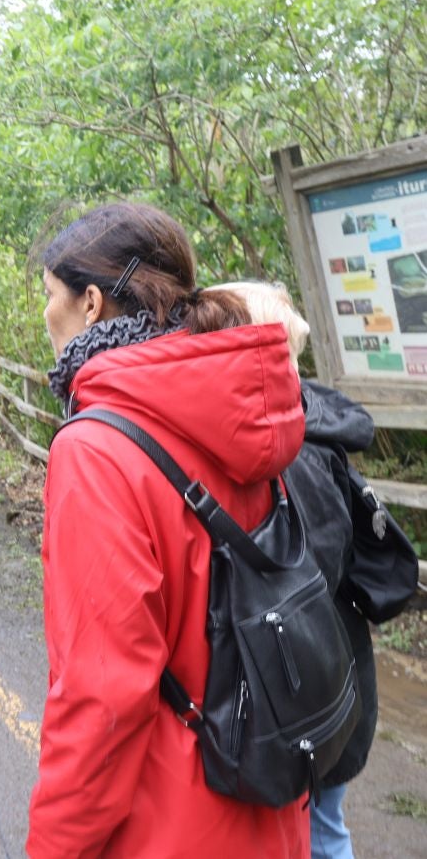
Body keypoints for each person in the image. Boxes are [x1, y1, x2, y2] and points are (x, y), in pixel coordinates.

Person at [28, 203, 309, 856]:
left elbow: (101, 696)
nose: (45, 314)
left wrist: (54, 847)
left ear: (90, 302)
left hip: (173, 821)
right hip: (271, 795)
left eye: (49, 295)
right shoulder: (242, 398)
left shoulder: (97, 447)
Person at [212, 281, 418, 859]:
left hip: (304, 686)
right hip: (334, 676)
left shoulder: (290, 453)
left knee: (317, 832)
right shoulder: (315, 434)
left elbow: (311, 572)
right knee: (326, 828)